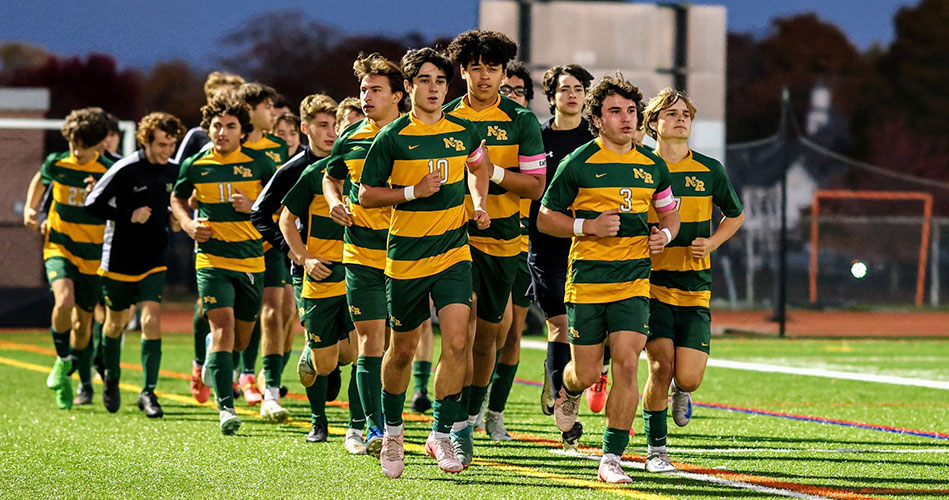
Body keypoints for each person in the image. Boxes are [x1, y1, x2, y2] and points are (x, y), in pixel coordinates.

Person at [538, 74, 680, 484]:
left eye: (632, 111)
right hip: (587, 281)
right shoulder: (578, 162)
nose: (626, 119)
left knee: (626, 364)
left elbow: (670, 212)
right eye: (615, 111)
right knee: (584, 372)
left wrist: (664, 235)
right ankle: (567, 390)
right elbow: (546, 218)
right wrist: (587, 227)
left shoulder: (653, 164)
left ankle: (612, 457)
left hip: (634, 280)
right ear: (596, 119)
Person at [359, 47, 491, 478]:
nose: (434, 89)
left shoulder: (464, 131)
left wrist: (479, 201)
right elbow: (367, 194)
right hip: (406, 259)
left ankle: (439, 433)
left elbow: (478, 166)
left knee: (457, 342)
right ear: (409, 87)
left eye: (440, 81)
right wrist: (414, 192)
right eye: (425, 81)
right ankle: (393, 432)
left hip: (453, 252)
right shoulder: (392, 136)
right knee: (402, 350)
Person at [444, 29, 547, 464]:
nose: (484, 76)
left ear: (503, 72)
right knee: (457, 335)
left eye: (492, 68)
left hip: (504, 240)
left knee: (489, 337)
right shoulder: (444, 117)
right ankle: (452, 425)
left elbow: (536, 185)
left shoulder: (521, 121)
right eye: (475, 67)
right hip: (453, 238)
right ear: (462, 70)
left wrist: (495, 172)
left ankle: (473, 411)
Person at [639, 88, 744, 473]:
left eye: (686, 113)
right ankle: (656, 451)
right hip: (650, 284)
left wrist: (712, 241)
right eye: (671, 113)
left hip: (695, 285)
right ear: (654, 124)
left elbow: (735, 214)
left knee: (689, 376)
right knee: (659, 367)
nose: (681, 118)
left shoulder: (710, 169)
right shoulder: (641, 167)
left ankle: (682, 392)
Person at [170, 93, 275, 435]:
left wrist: (255, 206)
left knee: (241, 340)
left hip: (251, 261)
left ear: (242, 131)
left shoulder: (260, 165)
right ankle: (225, 409)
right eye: (216, 126)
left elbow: (283, 206)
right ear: (208, 128)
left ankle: (219, 364)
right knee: (223, 331)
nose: (222, 132)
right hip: (212, 260)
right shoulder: (195, 165)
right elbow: (177, 197)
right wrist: (188, 225)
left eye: (230, 126)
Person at [322, 53, 408, 457]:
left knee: (398, 345)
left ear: (398, 94)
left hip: (409, 256)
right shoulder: (352, 135)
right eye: (363, 90)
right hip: (360, 254)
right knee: (370, 341)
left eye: (376, 90)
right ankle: (372, 428)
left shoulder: (417, 134)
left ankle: (379, 420)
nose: (367, 97)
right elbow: (330, 176)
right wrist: (334, 201)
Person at [250, 93, 346, 431]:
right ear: (305, 128)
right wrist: (293, 252)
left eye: (335, 124)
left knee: (351, 349)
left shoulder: (351, 162)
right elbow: (259, 212)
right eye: (323, 125)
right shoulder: (294, 170)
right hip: (309, 265)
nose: (331, 132)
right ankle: (313, 417)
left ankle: (327, 363)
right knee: (284, 320)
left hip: (353, 264)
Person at [84, 112, 186, 417]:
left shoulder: (175, 171)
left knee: (150, 319)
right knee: (115, 323)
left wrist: (176, 219)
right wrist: (128, 214)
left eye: (172, 144)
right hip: (119, 258)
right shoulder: (126, 168)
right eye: (162, 144)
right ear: (145, 140)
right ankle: (111, 378)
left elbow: (178, 204)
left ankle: (148, 392)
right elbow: (92, 204)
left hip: (155, 257)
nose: (167, 150)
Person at [22, 107, 113, 410]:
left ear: (99, 143)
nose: (77, 151)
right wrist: (30, 208)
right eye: (73, 144)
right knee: (63, 301)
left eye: (83, 146)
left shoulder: (110, 170)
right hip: (59, 246)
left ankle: (73, 377)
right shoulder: (57, 162)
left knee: (83, 325)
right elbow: (40, 180)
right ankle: (63, 360)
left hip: (94, 254)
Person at [529, 64, 595, 446]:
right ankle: (563, 408)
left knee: (593, 330)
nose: (572, 94)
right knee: (559, 324)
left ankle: (586, 377)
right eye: (564, 88)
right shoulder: (537, 140)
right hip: (547, 246)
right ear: (550, 95)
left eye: (578, 88)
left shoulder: (597, 141)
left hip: (591, 247)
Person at [477, 60, 536, 440]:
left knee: (511, 333)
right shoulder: (468, 120)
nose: (511, 95)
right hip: (478, 236)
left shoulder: (527, 129)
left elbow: (536, 186)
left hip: (522, 244)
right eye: (508, 88)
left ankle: (494, 411)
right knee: (477, 331)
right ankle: (469, 410)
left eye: (518, 91)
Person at [178, 71, 245, 404]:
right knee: (208, 304)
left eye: (234, 93)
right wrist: (187, 218)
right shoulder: (196, 138)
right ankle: (200, 362)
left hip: (246, 236)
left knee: (244, 313)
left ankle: (231, 370)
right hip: (206, 233)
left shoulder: (246, 138)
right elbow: (178, 179)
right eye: (222, 93)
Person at [234, 82, 289, 406]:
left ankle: (263, 383)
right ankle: (236, 369)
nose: (273, 113)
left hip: (268, 244)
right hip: (234, 247)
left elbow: (281, 199)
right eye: (267, 107)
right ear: (250, 111)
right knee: (246, 315)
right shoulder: (228, 146)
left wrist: (254, 205)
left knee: (274, 312)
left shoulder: (278, 149)